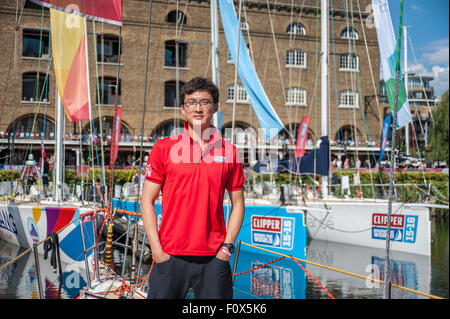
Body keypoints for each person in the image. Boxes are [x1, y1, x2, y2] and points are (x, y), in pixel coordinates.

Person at [141, 77, 245, 299]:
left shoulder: (230, 152)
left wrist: (227, 249)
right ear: (183, 108)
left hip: (214, 259)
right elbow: (147, 201)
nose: (198, 108)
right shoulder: (164, 148)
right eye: (191, 102)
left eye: (205, 102)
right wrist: (156, 250)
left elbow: (238, 204)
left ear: (215, 107)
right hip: (169, 256)